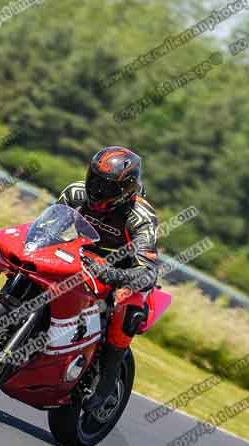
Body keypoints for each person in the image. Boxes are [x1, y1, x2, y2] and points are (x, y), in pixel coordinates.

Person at [57, 146, 159, 412]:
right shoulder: (75, 192)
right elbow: (49, 227)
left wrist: (113, 275)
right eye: (95, 180)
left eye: (106, 187)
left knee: (127, 306)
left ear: (125, 190)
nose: (97, 190)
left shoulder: (141, 217)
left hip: (121, 273)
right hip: (80, 255)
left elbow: (148, 271)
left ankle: (107, 381)